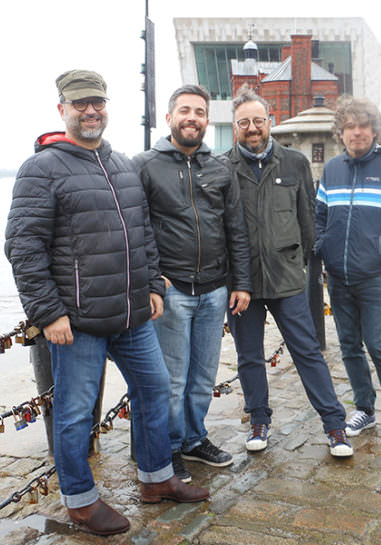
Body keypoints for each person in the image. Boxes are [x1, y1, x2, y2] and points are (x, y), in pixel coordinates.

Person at [5, 70, 208, 537]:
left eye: (97, 102)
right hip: (77, 323)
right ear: (62, 110)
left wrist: (155, 285)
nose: (90, 110)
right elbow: (23, 246)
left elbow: (142, 233)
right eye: (80, 104)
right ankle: (80, 501)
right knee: (76, 414)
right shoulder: (41, 169)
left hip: (133, 315)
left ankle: (157, 479)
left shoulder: (121, 166)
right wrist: (48, 313)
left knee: (155, 390)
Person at [224, 86, 352, 458]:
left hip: (287, 278)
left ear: (270, 122)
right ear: (235, 127)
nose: (252, 127)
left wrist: (307, 264)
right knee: (248, 355)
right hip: (242, 282)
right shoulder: (222, 167)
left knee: (307, 352)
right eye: (244, 122)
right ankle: (259, 418)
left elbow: (307, 219)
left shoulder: (294, 163)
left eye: (258, 120)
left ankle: (335, 425)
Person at [132, 85, 251, 484]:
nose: (192, 118)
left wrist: (241, 283)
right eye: (185, 110)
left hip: (215, 289)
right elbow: (137, 229)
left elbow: (235, 227)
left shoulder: (220, 167)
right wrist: (152, 279)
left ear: (206, 120)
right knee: (171, 378)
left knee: (202, 376)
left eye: (200, 112)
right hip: (173, 290)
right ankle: (165, 447)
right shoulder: (145, 166)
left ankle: (193, 439)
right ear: (169, 118)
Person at [314, 95, 381, 445]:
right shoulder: (332, 170)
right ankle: (365, 408)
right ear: (340, 132)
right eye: (350, 126)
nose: (357, 132)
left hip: (375, 275)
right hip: (339, 275)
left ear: (374, 130)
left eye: (363, 126)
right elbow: (320, 218)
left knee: (378, 344)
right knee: (349, 346)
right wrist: (323, 248)